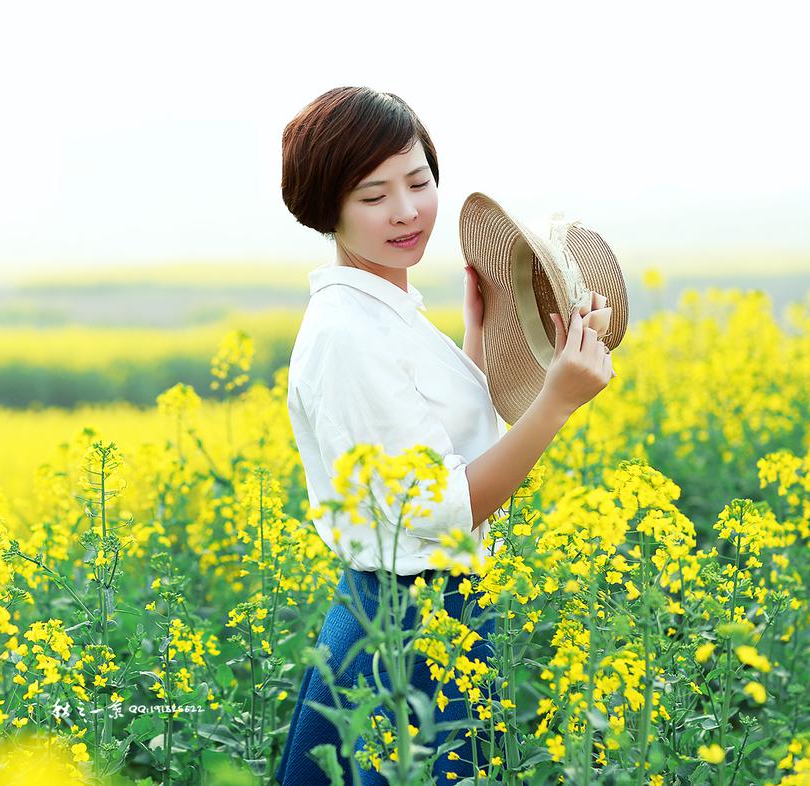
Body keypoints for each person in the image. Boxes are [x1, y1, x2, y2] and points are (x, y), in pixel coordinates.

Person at [274, 87, 614, 785]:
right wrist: (556, 404)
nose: (406, 210)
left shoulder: (386, 311)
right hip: (405, 628)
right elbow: (442, 507)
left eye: (419, 180)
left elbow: (431, 443)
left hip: (434, 614)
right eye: (373, 196)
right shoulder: (347, 334)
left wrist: (478, 336)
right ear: (327, 207)